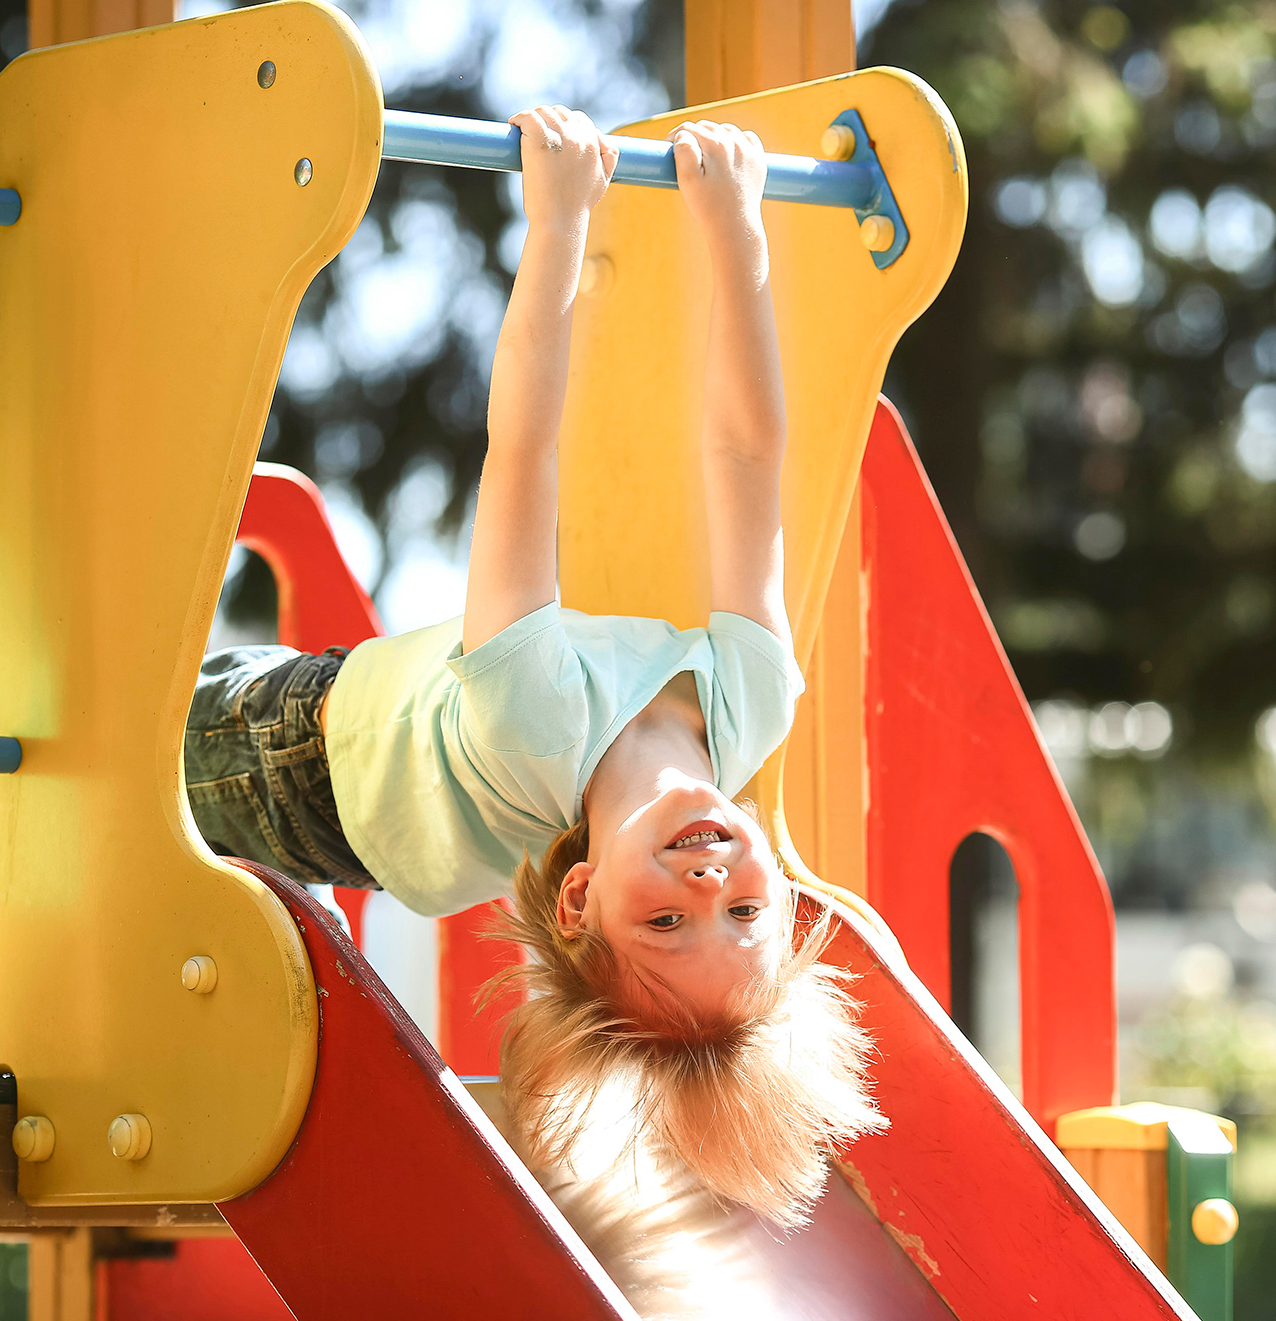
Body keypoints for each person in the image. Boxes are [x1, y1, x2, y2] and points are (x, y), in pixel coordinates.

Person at [184, 105, 881, 1228]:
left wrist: (557, 222)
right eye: (745, 915)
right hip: (387, 757)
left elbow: (524, 454)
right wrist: (733, 234)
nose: (709, 893)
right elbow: (748, 455)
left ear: (577, 897)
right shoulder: (752, 702)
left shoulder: (533, 717)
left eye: (663, 926)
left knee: (121, 737)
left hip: (291, 769)